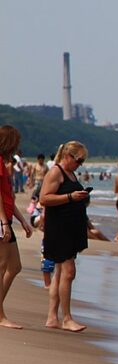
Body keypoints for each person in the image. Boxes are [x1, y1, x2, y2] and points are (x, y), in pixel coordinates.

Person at [39, 140, 90, 332]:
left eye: (82, 162)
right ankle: (67, 318)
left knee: (60, 273)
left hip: (69, 229)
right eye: (79, 160)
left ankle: (52, 317)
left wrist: (81, 197)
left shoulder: (70, 172)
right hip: (59, 230)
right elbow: (44, 198)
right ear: (68, 156)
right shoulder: (56, 172)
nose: (80, 164)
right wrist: (70, 197)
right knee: (69, 272)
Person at [0, 126, 33, 329]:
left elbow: (8, 197)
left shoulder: (4, 164)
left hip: (7, 217)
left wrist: (22, 220)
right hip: (1, 220)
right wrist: (4, 222)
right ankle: (0, 315)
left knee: (15, 266)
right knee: (2, 265)